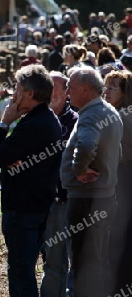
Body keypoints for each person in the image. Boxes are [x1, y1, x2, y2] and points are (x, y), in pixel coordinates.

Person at [0, 64, 63, 297]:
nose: (14, 94)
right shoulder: (42, 120)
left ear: (30, 94)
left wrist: (4, 124)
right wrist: (8, 155)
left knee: (21, 275)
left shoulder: (34, 125)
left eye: (18, 89)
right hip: (34, 206)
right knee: (24, 270)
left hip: (23, 209)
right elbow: (4, 158)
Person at [61, 67, 122, 297]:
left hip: (87, 199)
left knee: (83, 262)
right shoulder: (108, 111)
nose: (67, 92)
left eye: (71, 87)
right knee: (97, 257)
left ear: (85, 89)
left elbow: (86, 145)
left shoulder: (91, 114)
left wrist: (79, 170)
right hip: (103, 196)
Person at [40, 71, 78, 297]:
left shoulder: (74, 122)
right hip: (41, 199)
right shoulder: (34, 120)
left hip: (66, 198)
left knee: (74, 258)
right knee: (52, 260)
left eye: (54, 89)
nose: (49, 94)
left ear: (66, 93)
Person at [103, 71, 132, 294]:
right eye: (106, 86)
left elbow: (126, 152)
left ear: (125, 92)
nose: (107, 91)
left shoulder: (124, 117)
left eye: (113, 87)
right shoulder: (114, 114)